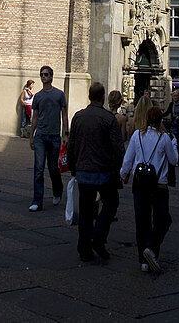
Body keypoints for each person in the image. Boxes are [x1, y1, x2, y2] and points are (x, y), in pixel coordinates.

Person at [67, 81, 125, 262]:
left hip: (83, 170)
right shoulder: (108, 119)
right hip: (103, 171)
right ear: (102, 97)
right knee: (111, 203)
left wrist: (72, 166)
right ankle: (98, 236)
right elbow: (118, 148)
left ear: (89, 96)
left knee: (85, 210)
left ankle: (84, 248)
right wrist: (117, 170)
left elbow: (71, 144)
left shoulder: (78, 117)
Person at [121, 105, 178, 273]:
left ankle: (143, 261)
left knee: (142, 221)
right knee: (163, 219)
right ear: (160, 120)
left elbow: (128, 159)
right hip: (159, 185)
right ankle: (152, 249)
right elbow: (173, 160)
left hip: (139, 184)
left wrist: (123, 175)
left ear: (146, 119)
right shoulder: (165, 138)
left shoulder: (137, 135)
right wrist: (174, 144)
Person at [29, 64, 69, 211]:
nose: (44, 77)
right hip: (40, 136)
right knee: (38, 168)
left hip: (54, 136)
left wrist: (65, 134)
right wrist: (31, 136)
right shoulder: (38, 96)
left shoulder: (59, 95)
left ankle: (57, 190)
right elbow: (35, 117)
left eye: (46, 74)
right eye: (42, 75)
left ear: (51, 77)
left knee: (53, 168)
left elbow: (64, 115)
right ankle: (37, 201)